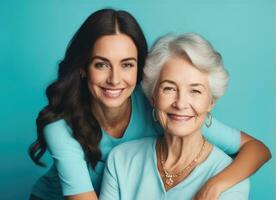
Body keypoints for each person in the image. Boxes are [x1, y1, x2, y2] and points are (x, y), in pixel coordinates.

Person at [28, 9, 270, 200]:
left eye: (127, 64)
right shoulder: (61, 128)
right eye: (101, 64)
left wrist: (215, 186)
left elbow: (257, 149)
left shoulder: (167, 109)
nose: (114, 79)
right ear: (83, 68)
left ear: (139, 69)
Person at [100, 33, 250, 200]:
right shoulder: (120, 159)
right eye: (169, 88)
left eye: (195, 91)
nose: (180, 103)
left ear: (211, 102)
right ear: (153, 97)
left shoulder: (231, 181)